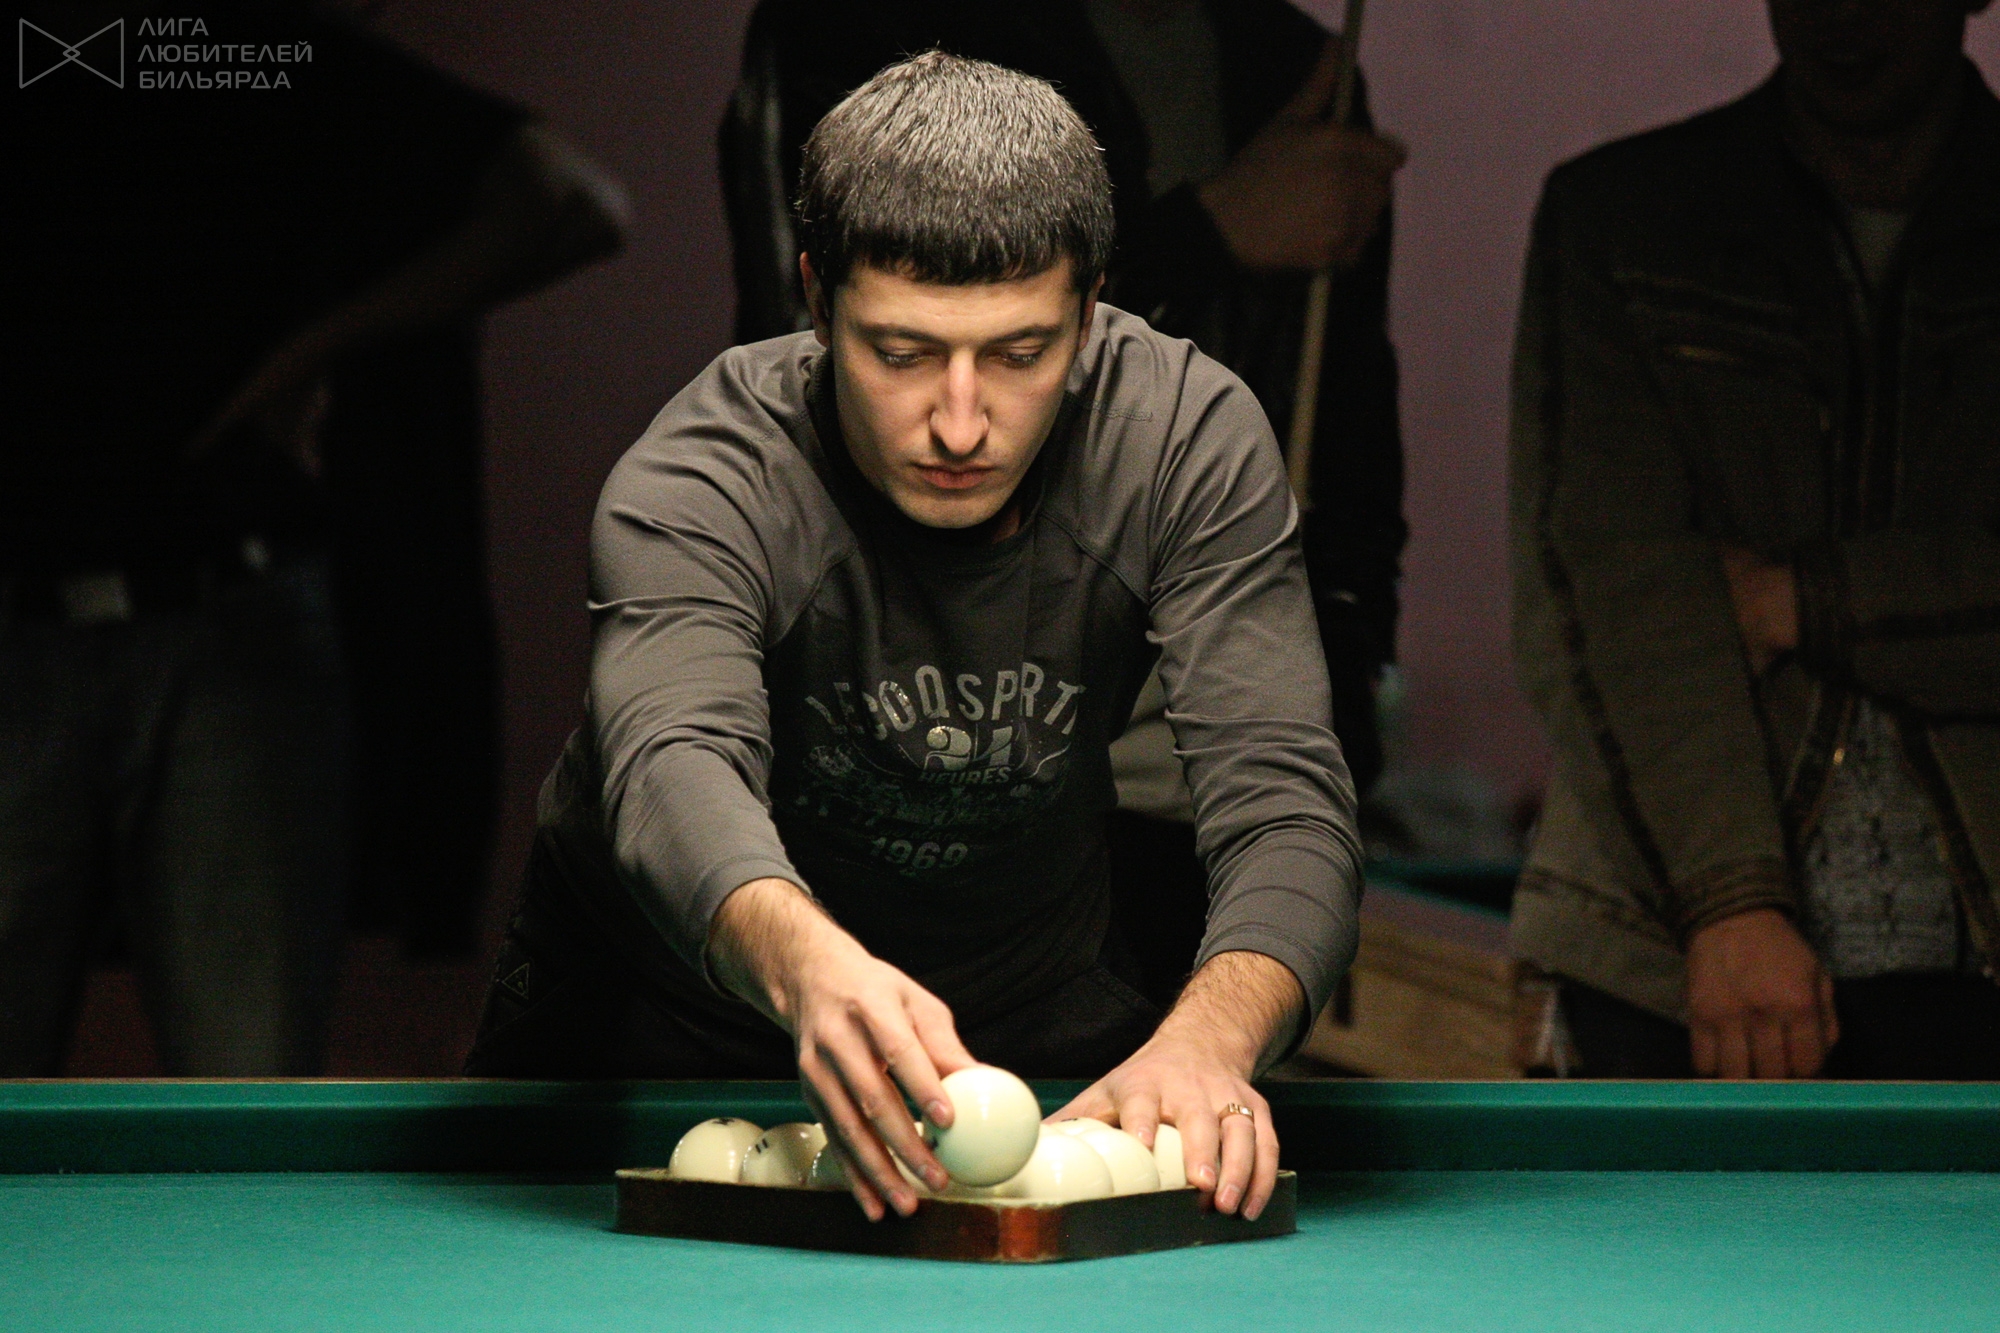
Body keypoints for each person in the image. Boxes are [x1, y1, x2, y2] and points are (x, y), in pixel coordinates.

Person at [466, 53, 1362, 1224]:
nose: (959, 422)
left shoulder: (1184, 438)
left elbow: (1285, 798)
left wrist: (1210, 1038)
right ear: (815, 299)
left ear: (1090, 311)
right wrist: (810, 966)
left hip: (1018, 1025)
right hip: (666, 1022)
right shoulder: (703, 477)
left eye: (1019, 353)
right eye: (900, 352)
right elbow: (669, 765)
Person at [720, 0, 1406, 1008]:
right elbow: (834, 366)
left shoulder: (1295, 65)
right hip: (915, 775)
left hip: (1189, 800)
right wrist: (1212, 229)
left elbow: (1348, 424)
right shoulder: (851, 23)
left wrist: (1339, 736)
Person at [2, 0, 627, 1075]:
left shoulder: (248, 52)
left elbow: (571, 201)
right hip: (24, 630)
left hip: (232, 625)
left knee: (243, 1087)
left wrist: (312, 355)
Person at [1509, 0, 2000, 1079]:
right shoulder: (1624, 215)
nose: (1840, 12)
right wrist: (1725, 902)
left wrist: (1801, 599)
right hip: (1664, 958)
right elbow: (1602, 590)